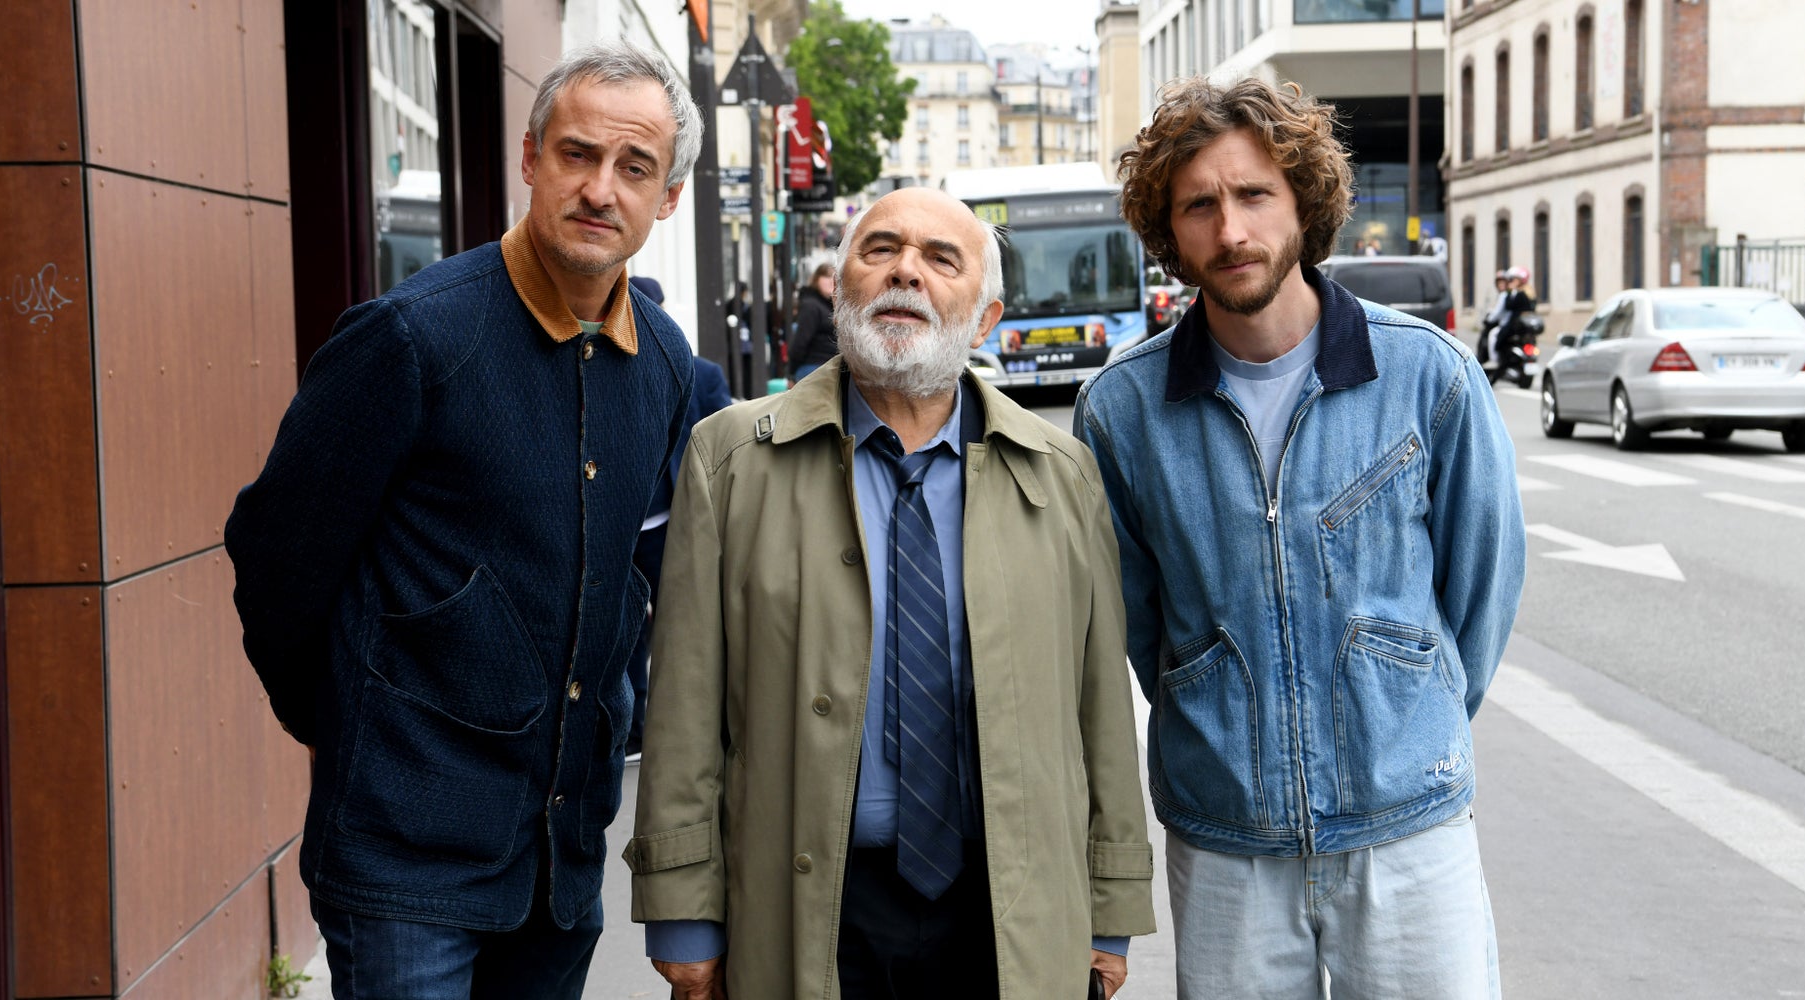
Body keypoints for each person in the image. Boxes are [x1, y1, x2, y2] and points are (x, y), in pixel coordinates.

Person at [223, 40, 702, 999]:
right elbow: (277, 553)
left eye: (634, 167)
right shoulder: (409, 336)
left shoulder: (664, 367)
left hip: (560, 867)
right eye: (576, 154)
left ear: (668, 200)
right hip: (406, 864)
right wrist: (350, 726)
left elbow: (630, 587)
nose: (600, 188)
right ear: (529, 160)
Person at [627, 186, 1156, 1000]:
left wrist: (1111, 907)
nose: (906, 270)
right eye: (880, 250)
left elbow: (1101, 713)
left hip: (1012, 909)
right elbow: (685, 709)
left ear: (985, 320)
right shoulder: (730, 459)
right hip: (807, 906)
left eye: (942, 259)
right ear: (842, 288)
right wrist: (684, 913)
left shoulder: (1061, 473)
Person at [1074, 77, 1524, 999]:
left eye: (1253, 195)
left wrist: (1404, 719)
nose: (1230, 231)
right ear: (1170, 229)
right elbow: (1134, 619)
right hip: (1227, 836)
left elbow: (1481, 592)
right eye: (1199, 204)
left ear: (1303, 203)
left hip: (1408, 829)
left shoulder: (1424, 376)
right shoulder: (1120, 411)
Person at [623, 275, 735, 758]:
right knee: (624, 630)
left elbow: (727, 444)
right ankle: (633, 725)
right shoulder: (599, 365)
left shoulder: (697, 372)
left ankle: (688, 723)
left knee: (683, 625)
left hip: (671, 520)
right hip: (619, 525)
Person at [787, 261, 838, 381]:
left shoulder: (829, 305)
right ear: (816, 279)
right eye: (826, 276)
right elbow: (801, 341)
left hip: (830, 367)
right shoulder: (811, 305)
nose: (831, 281)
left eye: (834, 277)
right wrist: (791, 372)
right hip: (814, 368)